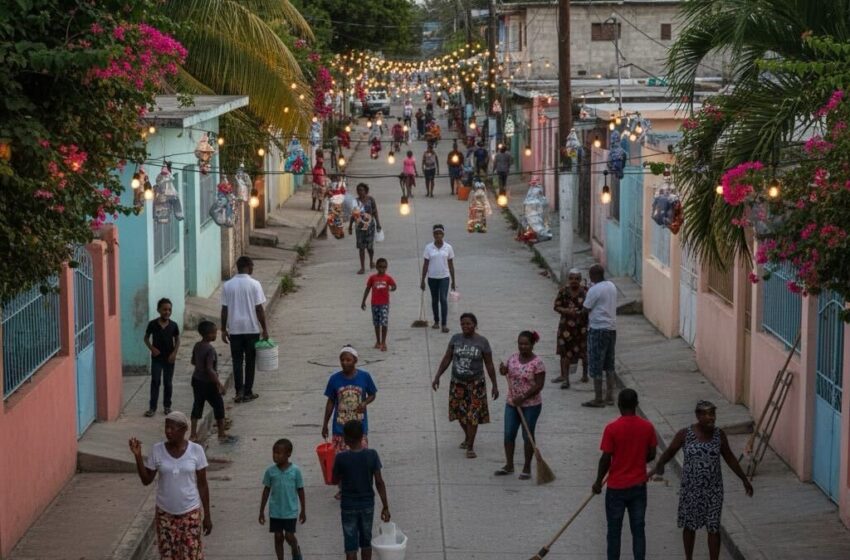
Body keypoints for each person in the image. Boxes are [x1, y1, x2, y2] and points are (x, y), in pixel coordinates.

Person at [648, 401, 754, 560]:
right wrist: (659, 466)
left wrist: (744, 479)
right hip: (691, 489)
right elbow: (670, 451)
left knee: (713, 527)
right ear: (698, 416)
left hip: (714, 490)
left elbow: (730, 458)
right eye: (707, 414)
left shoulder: (719, 435)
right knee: (689, 526)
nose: (711, 418)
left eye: (713, 414)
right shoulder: (685, 434)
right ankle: (688, 557)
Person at [129, 411, 212, 560]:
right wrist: (138, 456)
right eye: (166, 427)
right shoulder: (157, 450)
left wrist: (207, 516)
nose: (168, 431)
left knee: (192, 555)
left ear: (183, 430)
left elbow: (203, 485)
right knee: (168, 556)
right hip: (165, 515)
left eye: (172, 428)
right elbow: (146, 480)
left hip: (190, 514)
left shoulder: (196, 451)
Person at [592, 389, 657, 560]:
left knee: (614, 532)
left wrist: (598, 482)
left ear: (619, 405)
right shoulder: (647, 427)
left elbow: (606, 458)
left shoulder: (612, 428)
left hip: (616, 489)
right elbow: (651, 454)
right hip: (638, 487)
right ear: (636, 405)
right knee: (638, 531)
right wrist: (636, 457)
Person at [431, 313, 499, 459]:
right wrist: (437, 376)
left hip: (476, 384)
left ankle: (470, 446)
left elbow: (489, 364)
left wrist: (494, 384)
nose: (465, 326)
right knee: (460, 414)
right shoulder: (455, 339)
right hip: (457, 383)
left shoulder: (482, 342)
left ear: (475, 324)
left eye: (468, 324)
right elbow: (447, 358)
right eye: (463, 324)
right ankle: (468, 436)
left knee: (472, 415)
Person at [332, 420, 391, 560]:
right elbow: (379, 482)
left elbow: (334, 480)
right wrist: (385, 506)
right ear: (362, 437)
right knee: (366, 542)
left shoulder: (341, 458)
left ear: (346, 439)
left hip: (348, 506)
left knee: (350, 546)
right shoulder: (372, 455)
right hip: (367, 505)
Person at [496, 331, 545, 480]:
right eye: (520, 343)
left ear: (532, 344)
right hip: (512, 403)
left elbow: (539, 385)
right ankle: (509, 465)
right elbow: (507, 372)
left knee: (527, 435)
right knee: (509, 433)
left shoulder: (538, 363)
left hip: (531, 405)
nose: (522, 346)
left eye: (526, 344)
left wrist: (523, 397)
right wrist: (503, 370)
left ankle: (526, 467)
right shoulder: (512, 358)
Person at [221, 256, 269, 403]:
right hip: (251, 329)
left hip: (235, 329)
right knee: (250, 361)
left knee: (237, 361)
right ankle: (248, 392)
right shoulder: (255, 284)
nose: (253, 268)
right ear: (248, 266)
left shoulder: (227, 285)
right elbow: (259, 309)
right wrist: (265, 329)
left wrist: (223, 329)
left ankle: (239, 392)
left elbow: (224, 309)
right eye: (252, 266)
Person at [322, 346, 378, 454]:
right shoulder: (334, 379)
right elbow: (331, 402)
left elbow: (372, 394)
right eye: (342, 360)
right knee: (341, 463)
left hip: (359, 429)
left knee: (360, 461)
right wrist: (325, 425)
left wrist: (364, 402)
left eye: (348, 360)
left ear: (355, 361)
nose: (344, 363)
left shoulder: (365, 376)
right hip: (340, 429)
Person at [259, 438, 306, 560]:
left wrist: (303, 510)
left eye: (279, 453)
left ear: (288, 454)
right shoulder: (270, 472)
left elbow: (300, 490)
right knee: (278, 536)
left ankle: (295, 548)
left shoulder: (295, 471)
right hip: (275, 511)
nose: (275, 456)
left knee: (289, 536)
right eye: (274, 452)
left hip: (290, 511)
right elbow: (266, 490)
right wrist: (261, 511)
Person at [190, 320, 235, 444]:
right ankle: (221, 433)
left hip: (196, 380)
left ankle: (193, 434)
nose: (216, 335)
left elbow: (193, 361)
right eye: (214, 333)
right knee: (219, 406)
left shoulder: (197, 345)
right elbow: (210, 369)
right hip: (208, 383)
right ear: (208, 334)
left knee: (197, 406)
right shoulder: (210, 350)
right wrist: (219, 384)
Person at [582, 264, 618, 407]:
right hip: (611, 329)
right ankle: (610, 396)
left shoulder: (594, 290)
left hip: (598, 329)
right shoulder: (611, 286)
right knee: (609, 364)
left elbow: (585, 309)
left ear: (594, 275)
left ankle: (598, 398)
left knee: (596, 364)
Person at [144, 298, 180, 417]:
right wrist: (152, 349)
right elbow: (146, 338)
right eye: (164, 309)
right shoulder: (153, 324)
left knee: (168, 383)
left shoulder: (174, 325)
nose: (167, 312)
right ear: (158, 310)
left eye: (169, 310)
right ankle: (152, 408)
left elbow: (177, 340)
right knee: (155, 381)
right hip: (157, 359)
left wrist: (174, 353)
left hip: (169, 359)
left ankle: (167, 406)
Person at [553, 269, 589, 389]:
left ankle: (585, 375)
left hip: (581, 327)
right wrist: (566, 311)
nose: (574, 281)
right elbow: (556, 306)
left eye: (577, 279)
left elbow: (590, 307)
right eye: (572, 278)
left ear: (580, 279)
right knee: (565, 352)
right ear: (569, 279)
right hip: (566, 327)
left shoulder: (585, 291)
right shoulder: (563, 291)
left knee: (583, 352)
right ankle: (565, 378)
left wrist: (581, 313)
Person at [420, 224, 456, 332]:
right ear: (433, 235)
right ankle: (436, 321)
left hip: (444, 277)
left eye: (440, 233)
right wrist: (422, 280)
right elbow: (425, 264)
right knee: (434, 300)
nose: (438, 235)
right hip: (432, 278)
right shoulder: (428, 247)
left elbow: (451, 265)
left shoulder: (448, 247)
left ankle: (444, 324)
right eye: (436, 233)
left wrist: (454, 281)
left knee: (443, 299)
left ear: (443, 234)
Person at [361, 258, 397, 352]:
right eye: (380, 267)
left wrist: (392, 288)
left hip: (384, 304)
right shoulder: (372, 278)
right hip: (374, 304)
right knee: (376, 323)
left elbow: (394, 286)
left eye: (384, 267)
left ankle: (384, 342)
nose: (382, 269)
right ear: (376, 267)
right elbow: (367, 289)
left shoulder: (388, 278)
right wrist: (363, 301)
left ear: (386, 268)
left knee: (384, 323)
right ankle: (378, 341)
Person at [348, 183, 381, 275]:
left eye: (361, 190)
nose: (360, 192)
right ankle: (362, 267)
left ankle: (371, 261)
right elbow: (353, 214)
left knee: (370, 247)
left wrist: (378, 224)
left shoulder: (371, 200)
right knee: (361, 248)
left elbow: (375, 212)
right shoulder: (355, 201)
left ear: (366, 191)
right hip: (359, 227)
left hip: (370, 227)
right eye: (358, 190)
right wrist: (350, 226)